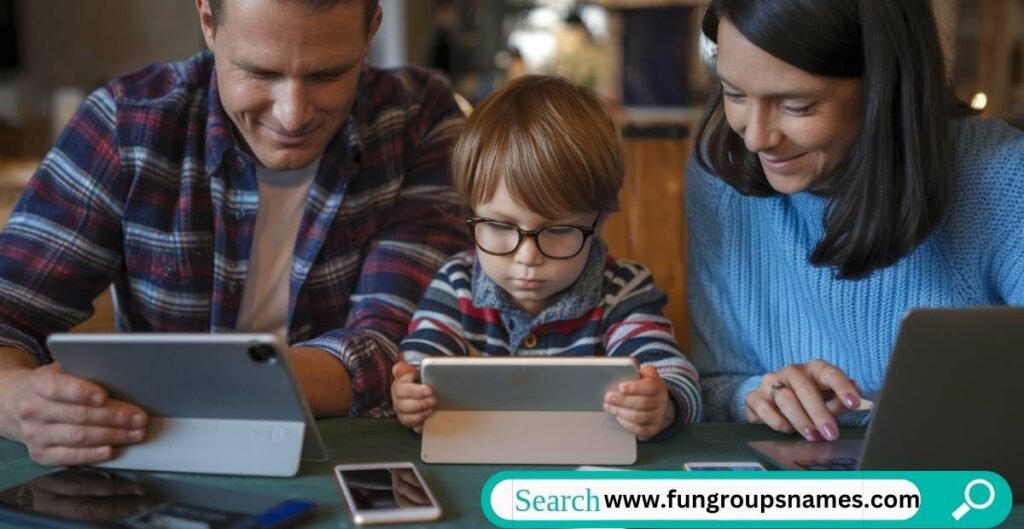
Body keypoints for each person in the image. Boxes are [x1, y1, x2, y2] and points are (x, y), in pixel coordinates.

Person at [0, 0, 471, 466]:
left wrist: (169, 384)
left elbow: (393, 347)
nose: (292, 115)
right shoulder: (128, 123)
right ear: (208, 22)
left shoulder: (421, 122)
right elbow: (9, 315)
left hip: (349, 464)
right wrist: (20, 400)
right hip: (156, 464)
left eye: (327, 75)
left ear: (371, 30)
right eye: (260, 73)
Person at [688, 0, 1024, 441]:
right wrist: (761, 395)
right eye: (734, 94)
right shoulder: (720, 176)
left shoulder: (1001, 174)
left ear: (886, 85)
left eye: (797, 106)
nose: (755, 137)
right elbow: (715, 384)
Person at [391, 75, 703, 440]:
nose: (527, 256)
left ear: (599, 222)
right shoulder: (456, 283)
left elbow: (672, 374)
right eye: (499, 226)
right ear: (470, 211)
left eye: (556, 231)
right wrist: (409, 393)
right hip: (475, 455)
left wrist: (661, 404)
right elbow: (418, 363)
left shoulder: (622, 289)